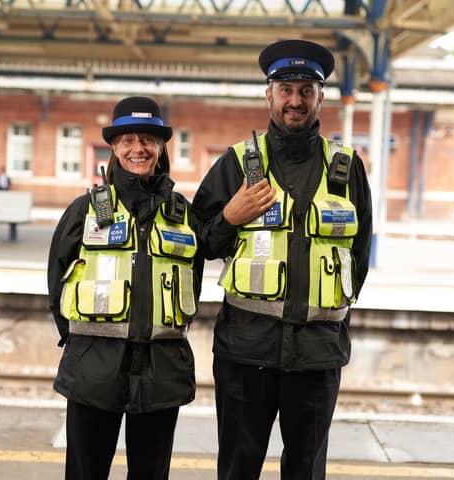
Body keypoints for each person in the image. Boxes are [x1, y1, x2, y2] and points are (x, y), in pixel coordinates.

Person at [191, 39, 373, 479]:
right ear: (268, 94)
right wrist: (229, 218)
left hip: (316, 355)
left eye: (305, 91)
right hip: (244, 351)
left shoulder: (346, 168)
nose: (296, 100)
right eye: (286, 89)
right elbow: (197, 244)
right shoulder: (235, 164)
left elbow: (358, 256)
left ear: (320, 98)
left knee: (306, 471)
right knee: (238, 468)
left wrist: (331, 319)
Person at [47, 96, 204, 480]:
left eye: (148, 139)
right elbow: (57, 280)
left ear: (161, 147)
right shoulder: (84, 210)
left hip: (161, 372)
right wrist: (83, 342)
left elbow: (192, 282)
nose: (139, 148)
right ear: (114, 147)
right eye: (128, 139)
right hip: (93, 369)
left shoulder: (182, 214)